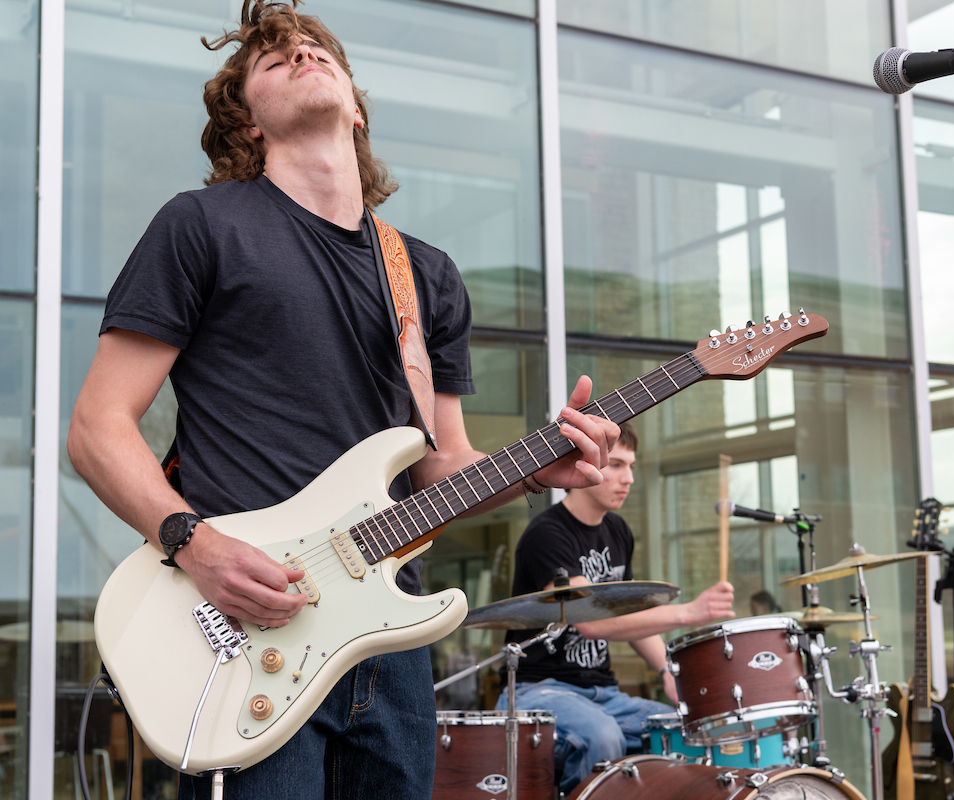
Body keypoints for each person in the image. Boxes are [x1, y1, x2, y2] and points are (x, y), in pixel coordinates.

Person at [65, 2, 619, 798]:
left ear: (355, 105)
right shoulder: (202, 226)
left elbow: (441, 468)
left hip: (384, 642)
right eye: (272, 58)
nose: (298, 54)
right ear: (248, 124)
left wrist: (536, 469)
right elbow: (95, 428)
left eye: (316, 48)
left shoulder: (423, 275)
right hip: (246, 624)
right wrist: (195, 543)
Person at [499, 423, 735, 793]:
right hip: (539, 690)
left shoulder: (619, 531)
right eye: (617, 465)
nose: (629, 479)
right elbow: (591, 621)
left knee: (678, 731)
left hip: (604, 693)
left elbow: (630, 617)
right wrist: (689, 612)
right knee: (602, 737)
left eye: (631, 467)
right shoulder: (547, 534)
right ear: (583, 466)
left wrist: (667, 671)